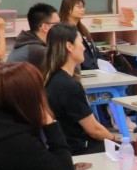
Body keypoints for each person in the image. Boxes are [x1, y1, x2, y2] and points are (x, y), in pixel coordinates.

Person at [43, 23, 118, 155]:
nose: (83, 47)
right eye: (81, 43)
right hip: (79, 149)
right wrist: (115, 140)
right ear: (69, 46)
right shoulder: (68, 85)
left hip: (64, 146)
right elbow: (94, 130)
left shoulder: (52, 77)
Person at [58, 0, 104, 70]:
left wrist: (105, 62)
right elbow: (83, 61)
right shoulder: (64, 31)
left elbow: (94, 51)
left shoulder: (82, 29)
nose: (83, 9)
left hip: (95, 68)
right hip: (81, 70)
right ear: (68, 10)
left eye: (83, 7)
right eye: (79, 7)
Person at [8, 3, 59, 69]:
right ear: (45, 27)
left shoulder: (27, 43)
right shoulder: (38, 51)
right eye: (57, 24)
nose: (61, 27)